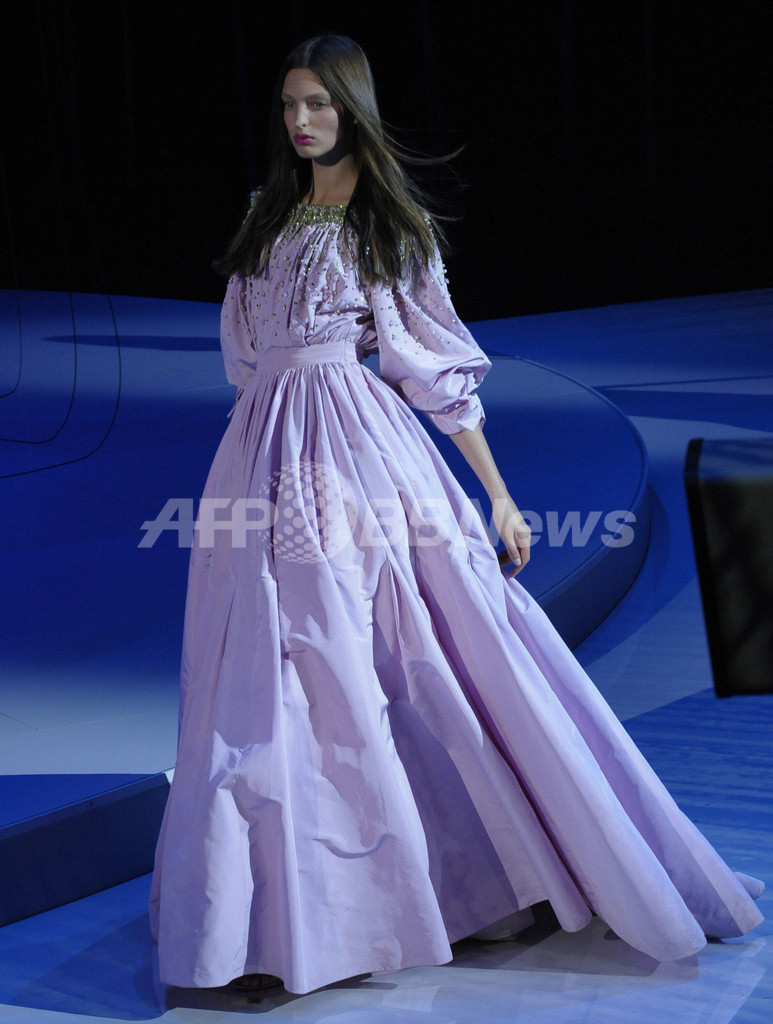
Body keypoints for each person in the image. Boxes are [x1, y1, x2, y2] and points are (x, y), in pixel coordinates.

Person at [149, 34, 762, 996]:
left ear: (352, 107)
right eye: (289, 105)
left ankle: (421, 884)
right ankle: (281, 912)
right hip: (257, 451)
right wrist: (260, 429)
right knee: (270, 664)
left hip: (348, 452)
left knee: (351, 647)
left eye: (318, 103)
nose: (301, 121)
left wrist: (498, 494)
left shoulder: (386, 226)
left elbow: (434, 368)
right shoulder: (267, 217)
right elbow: (243, 353)